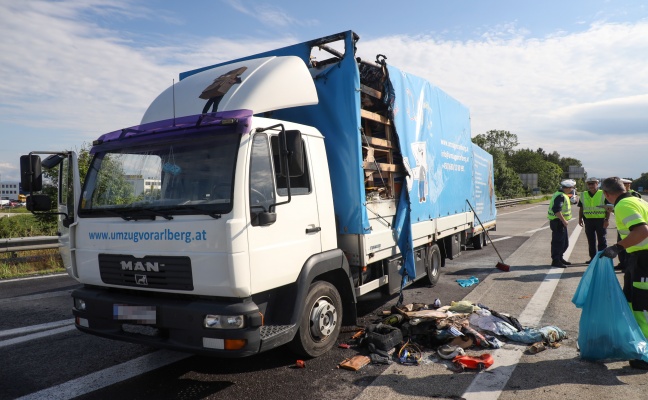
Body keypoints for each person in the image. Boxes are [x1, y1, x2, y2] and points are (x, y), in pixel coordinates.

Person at [600, 177, 648, 370]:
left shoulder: (623, 205)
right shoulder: (638, 200)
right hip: (638, 260)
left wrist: (618, 247)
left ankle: (644, 356)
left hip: (644, 261)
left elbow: (642, 231)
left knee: (641, 306)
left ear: (606, 194)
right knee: (632, 300)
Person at [578, 178, 610, 263]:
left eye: (593, 184)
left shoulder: (603, 193)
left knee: (602, 240)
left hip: (600, 220)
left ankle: (601, 259)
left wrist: (607, 219)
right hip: (588, 220)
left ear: (597, 184)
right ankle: (593, 258)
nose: (591, 186)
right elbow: (581, 207)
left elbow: (608, 208)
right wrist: (580, 218)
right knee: (591, 240)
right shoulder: (583, 194)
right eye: (589, 184)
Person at [616, 178, 643, 271]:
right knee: (621, 244)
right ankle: (622, 263)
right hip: (624, 225)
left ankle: (627, 265)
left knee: (628, 245)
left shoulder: (634, 194)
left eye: (624, 184)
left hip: (633, 226)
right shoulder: (620, 195)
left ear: (628, 185)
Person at [547, 179, 575, 268]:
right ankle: (556, 260)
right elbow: (557, 210)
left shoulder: (561, 194)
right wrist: (564, 221)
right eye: (571, 187)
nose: (572, 189)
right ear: (567, 188)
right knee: (558, 242)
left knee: (564, 243)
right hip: (558, 222)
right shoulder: (561, 196)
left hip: (558, 222)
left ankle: (560, 258)